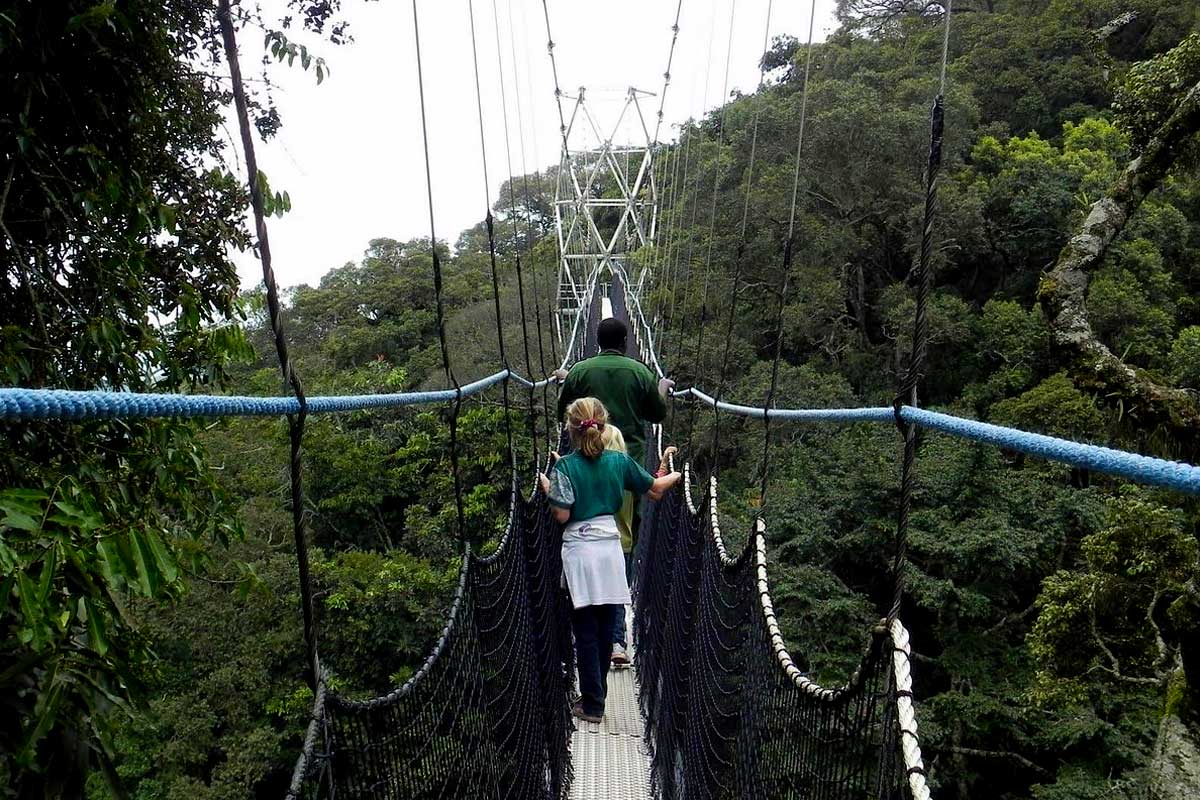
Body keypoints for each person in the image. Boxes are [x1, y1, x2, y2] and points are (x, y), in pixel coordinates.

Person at [539, 397, 680, 724]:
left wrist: (550, 486)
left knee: (585, 630)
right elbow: (656, 490)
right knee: (606, 627)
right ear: (604, 426)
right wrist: (679, 475)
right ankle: (595, 696)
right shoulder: (619, 462)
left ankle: (593, 704)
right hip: (611, 549)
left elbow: (561, 515)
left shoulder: (565, 467)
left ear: (570, 430)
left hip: (580, 552)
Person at [554, 316, 674, 663]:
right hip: (628, 470)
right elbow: (657, 413)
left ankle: (586, 639)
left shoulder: (580, 371)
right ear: (625, 342)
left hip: (582, 471)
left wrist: (568, 379)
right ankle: (618, 640)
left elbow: (564, 409)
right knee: (623, 543)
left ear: (596, 340)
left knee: (576, 536)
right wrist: (662, 385)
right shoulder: (639, 372)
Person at [600, 424, 678, 668]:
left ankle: (597, 644)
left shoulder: (583, 467)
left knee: (594, 597)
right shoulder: (624, 469)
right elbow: (654, 488)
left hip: (586, 543)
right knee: (616, 593)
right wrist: (673, 472)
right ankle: (616, 644)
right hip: (620, 544)